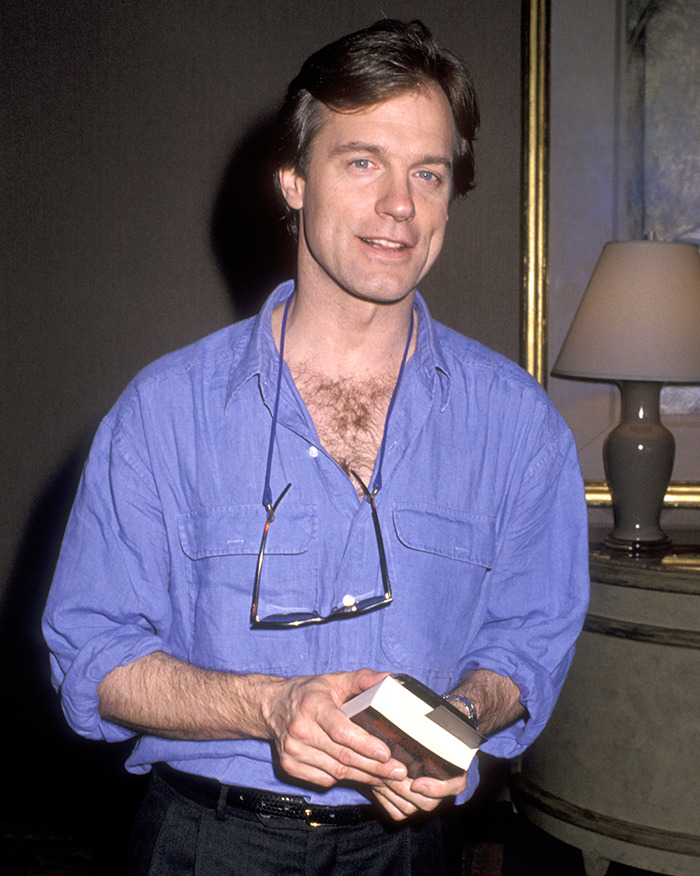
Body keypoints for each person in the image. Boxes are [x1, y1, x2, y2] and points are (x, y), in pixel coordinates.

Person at [43, 18, 589, 875]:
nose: (399, 206)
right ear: (295, 180)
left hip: (413, 851)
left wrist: (459, 718)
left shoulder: (520, 430)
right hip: (208, 842)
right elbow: (95, 656)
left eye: (428, 173)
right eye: (363, 161)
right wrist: (269, 707)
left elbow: (528, 642)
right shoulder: (165, 410)